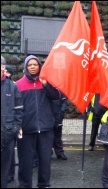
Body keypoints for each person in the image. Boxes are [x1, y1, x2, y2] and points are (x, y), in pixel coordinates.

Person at [15, 55, 61, 188]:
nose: (33, 67)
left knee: (45, 161)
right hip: (26, 130)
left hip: (46, 129)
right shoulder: (18, 85)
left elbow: (56, 96)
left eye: (35, 64)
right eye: (30, 65)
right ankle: (24, 185)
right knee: (25, 162)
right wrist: (18, 125)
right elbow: (16, 107)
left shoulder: (46, 82)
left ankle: (44, 184)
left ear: (39, 66)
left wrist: (46, 85)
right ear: (26, 67)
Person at [1, 56, 23, 188]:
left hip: (7, 135)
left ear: (3, 67)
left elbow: (19, 110)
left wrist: (14, 129)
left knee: (4, 172)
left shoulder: (12, 87)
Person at [52, 94, 68, 160]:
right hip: (47, 114)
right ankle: (48, 152)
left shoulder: (60, 89)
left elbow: (64, 101)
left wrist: (61, 111)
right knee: (47, 136)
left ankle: (60, 153)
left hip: (58, 115)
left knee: (57, 135)